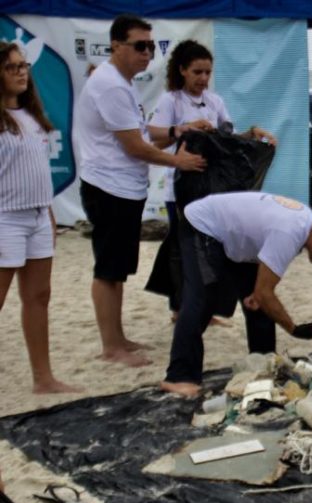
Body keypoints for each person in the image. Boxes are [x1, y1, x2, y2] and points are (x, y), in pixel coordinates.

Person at [76, 14, 206, 367]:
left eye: (150, 46)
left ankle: (117, 338)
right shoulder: (111, 85)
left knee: (118, 268)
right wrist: (178, 162)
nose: (147, 53)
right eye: (139, 46)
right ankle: (110, 346)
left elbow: (144, 135)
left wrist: (178, 131)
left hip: (123, 187)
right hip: (109, 187)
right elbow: (135, 146)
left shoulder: (123, 82)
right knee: (108, 270)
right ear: (116, 46)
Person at [160, 192, 312, 397]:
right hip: (202, 226)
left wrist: (259, 295)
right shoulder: (290, 232)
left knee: (261, 307)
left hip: (235, 240)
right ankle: (178, 377)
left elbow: (262, 293)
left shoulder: (305, 224)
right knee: (202, 299)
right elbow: (266, 293)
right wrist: (293, 329)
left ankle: (265, 366)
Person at [147, 39, 276, 321]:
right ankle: (179, 307)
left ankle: (206, 305)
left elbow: (228, 138)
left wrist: (254, 133)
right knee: (183, 248)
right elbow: (154, 137)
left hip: (212, 189)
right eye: (197, 72)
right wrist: (186, 128)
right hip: (181, 188)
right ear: (182, 70)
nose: (203, 79)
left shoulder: (215, 101)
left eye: (207, 72)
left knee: (211, 249)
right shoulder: (171, 100)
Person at [0, 42, 79, 394]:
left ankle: (43, 378)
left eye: (23, 66)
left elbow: (40, 172)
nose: (21, 72)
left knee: (39, 297)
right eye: (11, 67)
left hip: (36, 216)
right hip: (4, 217)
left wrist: (48, 213)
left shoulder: (32, 117)